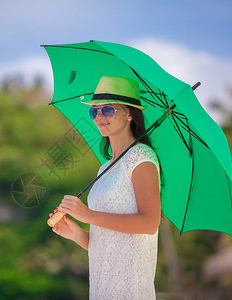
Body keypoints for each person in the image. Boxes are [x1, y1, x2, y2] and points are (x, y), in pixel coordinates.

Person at [49, 76, 161, 299]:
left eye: (108, 110)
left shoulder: (142, 158)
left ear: (129, 113)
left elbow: (149, 223)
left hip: (130, 289)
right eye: (94, 111)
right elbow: (108, 244)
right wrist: (78, 235)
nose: (99, 117)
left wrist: (88, 214)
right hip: (102, 287)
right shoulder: (104, 168)